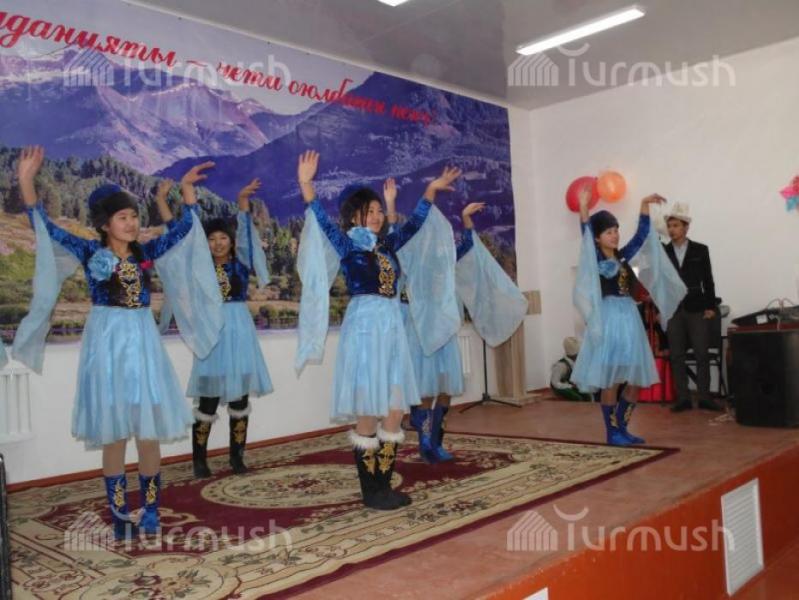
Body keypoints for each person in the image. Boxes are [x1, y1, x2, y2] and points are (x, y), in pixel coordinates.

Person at [13, 146, 221, 538]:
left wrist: (188, 194)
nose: (131, 223)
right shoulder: (89, 250)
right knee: (114, 434)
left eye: (134, 216)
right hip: (107, 344)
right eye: (123, 217)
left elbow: (184, 231)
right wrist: (26, 180)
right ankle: (119, 513)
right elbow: (44, 225)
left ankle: (151, 509)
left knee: (148, 433)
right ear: (106, 224)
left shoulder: (146, 251)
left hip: (142, 342)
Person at [296, 150, 460, 509]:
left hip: (392, 327)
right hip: (365, 328)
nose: (376, 215)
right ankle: (372, 491)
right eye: (368, 210)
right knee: (369, 410)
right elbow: (320, 218)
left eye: (378, 210)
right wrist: (306, 184)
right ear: (354, 215)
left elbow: (415, 225)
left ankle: (384, 484)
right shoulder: (347, 244)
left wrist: (431, 190)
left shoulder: (387, 244)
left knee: (396, 410)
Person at [156, 177, 273, 478]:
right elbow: (177, 235)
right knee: (207, 400)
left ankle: (237, 458)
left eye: (223, 238)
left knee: (240, 399)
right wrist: (163, 201)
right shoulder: (199, 264)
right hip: (210, 333)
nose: (218, 243)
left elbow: (246, 231)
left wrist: (243, 201)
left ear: (231, 241)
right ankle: (199, 460)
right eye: (211, 239)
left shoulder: (242, 262)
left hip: (239, 332)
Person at [572, 187, 686, 446]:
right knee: (611, 380)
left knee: (635, 379)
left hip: (629, 319)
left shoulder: (623, 256)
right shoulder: (594, 256)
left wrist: (644, 205)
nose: (614, 235)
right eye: (608, 232)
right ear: (598, 238)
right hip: (609, 320)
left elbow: (641, 235)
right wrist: (583, 206)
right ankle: (612, 432)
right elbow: (585, 231)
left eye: (616, 230)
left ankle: (622, 428)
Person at [399, 202, 484, 463]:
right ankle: (425, 443)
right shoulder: (409, 257)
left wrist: (466, 218)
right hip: (421, 332)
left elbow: (468, 247)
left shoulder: (444, 259)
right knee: (427, 389)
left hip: (444, 329)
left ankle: (437, 441)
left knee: (446, 387)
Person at [662, 202, 721, 412]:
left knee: (701, 353)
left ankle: (704, 397)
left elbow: (708, 280)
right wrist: (661, 308)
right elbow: (660, 282)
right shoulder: (663, 251)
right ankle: (683, 398)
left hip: (697, 307)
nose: (672, 230)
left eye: (676, 225)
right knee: (676, 355)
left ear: (686, 227)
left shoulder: (700, 250)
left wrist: (710, 306)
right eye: (669, 226)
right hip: (673, 309)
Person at [550, 337, 592, 402]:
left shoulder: (576, 362)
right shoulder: (561, 365)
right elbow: (555, 383)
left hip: (570, 385)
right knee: (577, 398)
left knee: (587, 395)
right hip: (560, 387)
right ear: (574, 354)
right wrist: (570, 386)